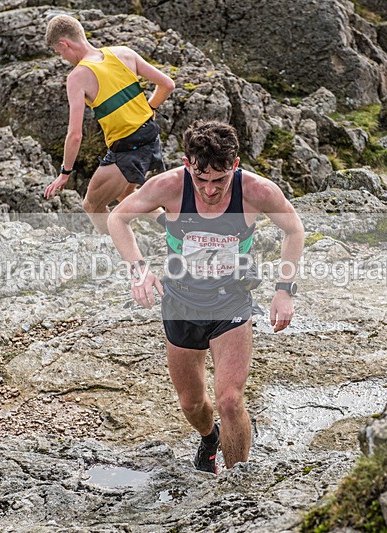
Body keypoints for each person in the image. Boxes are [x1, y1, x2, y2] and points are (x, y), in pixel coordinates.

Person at [107, 120, 304, 473]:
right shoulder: (168, 186)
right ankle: (209, 436)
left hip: (232, 301)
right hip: (181, 301)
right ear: (188, 165)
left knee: (230, 400)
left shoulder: (257, 191)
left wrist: (284, 290)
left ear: (236, 165)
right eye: (201, 180)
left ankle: (237, 487)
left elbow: (293, 229)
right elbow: (117, 218)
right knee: (192, 403)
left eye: (220, 180)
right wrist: (139, 269)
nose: (210, 190)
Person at [43, 14, 175, 234]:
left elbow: (75, 134)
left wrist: (65, 173)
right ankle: (171, 228)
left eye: (60, 52)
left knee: (92, 205)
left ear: (64, 44)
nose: (63, 57)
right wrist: (149, 108)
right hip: (150, 137)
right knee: (125, 193)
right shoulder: (123, 52)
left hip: (127, 147)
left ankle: (120, 254)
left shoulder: (78, 77)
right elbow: (167, 85)